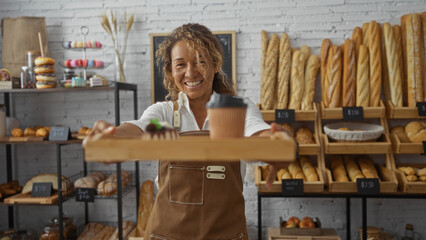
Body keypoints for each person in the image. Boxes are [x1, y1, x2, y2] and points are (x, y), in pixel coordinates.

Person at [84, 23, 293, 240]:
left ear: (215, 64)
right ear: (171, 70)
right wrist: (112, 135)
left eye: (201, 61)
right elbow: (141, 129)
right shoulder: (164, 115)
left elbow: (257, 134)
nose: (190, 72)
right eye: (180, 64)